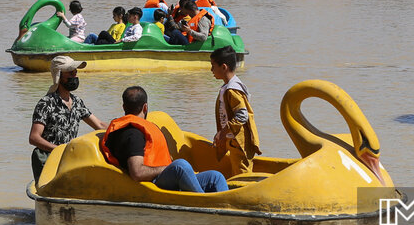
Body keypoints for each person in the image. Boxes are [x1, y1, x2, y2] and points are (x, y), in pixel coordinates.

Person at [100, 86, 228, 193]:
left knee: (215, 177)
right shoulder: (133, 134)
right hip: (153, 184)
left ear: (124, 107)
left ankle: (225, 204)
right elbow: (137, 172)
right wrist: (166, 168)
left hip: (163, 178)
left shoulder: (133, 128)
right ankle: (205, 203)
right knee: (181, 166)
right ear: (145, 107)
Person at [28, 56, 107, 183]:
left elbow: (99, 125)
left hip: (67, 158)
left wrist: (122, 126)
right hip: (47, 160)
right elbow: (34, 138)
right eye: (71, 73)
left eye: (75, 72)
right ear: (59, 75)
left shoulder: (77, 102)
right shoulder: (46, 103)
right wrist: (58, 150)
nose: (74, 76)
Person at [210, 46, 260, 176]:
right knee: (237, 172)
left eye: (213, 66)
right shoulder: (227, 87)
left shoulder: (232, 90)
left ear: (224, 67)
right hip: (234, 141)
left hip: (239, 143)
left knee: (243, 175)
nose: (211, 70)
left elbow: (242, 115)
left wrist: (223, 132)